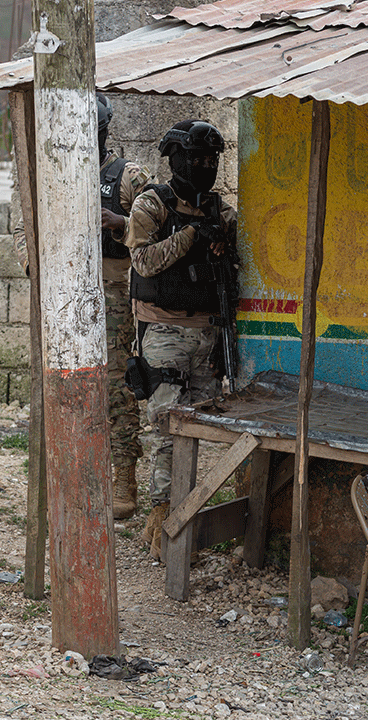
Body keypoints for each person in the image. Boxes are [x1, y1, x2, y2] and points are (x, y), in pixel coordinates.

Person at [12, 94, 151, 520]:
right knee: (61, 384)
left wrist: (122, 224)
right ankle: (73, 473)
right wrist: (35, 263)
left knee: (113, 384)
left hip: (109, 293)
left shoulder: (126, 176)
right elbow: (23, 225)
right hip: (60, 291)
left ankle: (122, 477)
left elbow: (155, 228)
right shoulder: (47, 171)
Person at [125, 119, 237, 560]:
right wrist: (193, 235)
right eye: (197, 159)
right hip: (164, 331)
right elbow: (145, 263)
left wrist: (220, 247)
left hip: (208, 334)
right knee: (168, 430)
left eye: (212, 161)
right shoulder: (152, 204)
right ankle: (163, 524)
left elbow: (233, 274)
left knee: (198, 434)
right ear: (177, 160)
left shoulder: (220, 212)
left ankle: (183, 524)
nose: (206, 167)